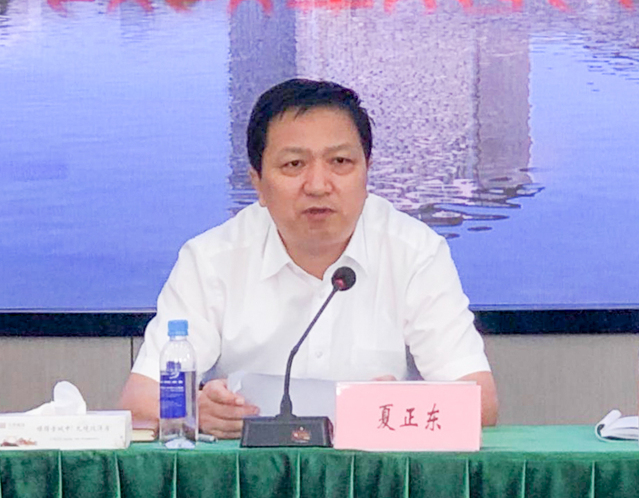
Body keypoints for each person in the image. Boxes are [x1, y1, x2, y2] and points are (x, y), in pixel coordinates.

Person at [119, 78, 498, 439]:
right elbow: (139, 401)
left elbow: (480, 404)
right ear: (257, 183)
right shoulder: (211, 259)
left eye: (340, 162)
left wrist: (388, 408)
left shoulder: (414, 252)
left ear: (367, 172)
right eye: (294, 165)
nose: (318, 185)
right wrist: (196, 411)